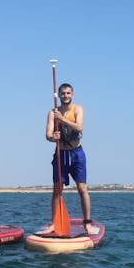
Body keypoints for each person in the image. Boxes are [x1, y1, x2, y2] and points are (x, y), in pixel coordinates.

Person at [41, 83, 99, 235]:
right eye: (63, 93)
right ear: (59, 95)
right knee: (57, 191)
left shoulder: (77, 109)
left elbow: (79, 127)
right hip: (61, 154)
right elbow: (47, 134)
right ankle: (54, 223)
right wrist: (53, 137)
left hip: (76, 154)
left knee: (82, 189)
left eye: (68, 93)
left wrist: (62, 119)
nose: (65, 96)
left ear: (72, 95)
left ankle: (87, 223)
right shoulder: (52, 113)